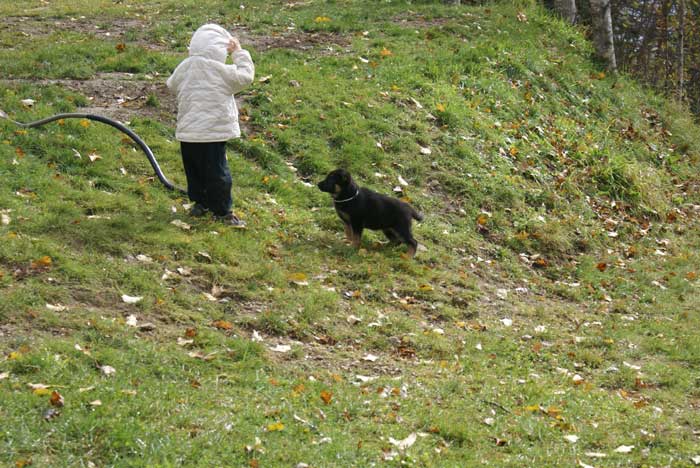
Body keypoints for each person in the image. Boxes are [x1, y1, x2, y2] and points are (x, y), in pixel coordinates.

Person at [166, 24, 255, 227]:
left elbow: (171, 84)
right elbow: (246, 77)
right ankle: (223, 212)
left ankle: (200, 204)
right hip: (212, 134)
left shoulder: (185, 66)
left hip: (188, 133)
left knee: (194, 171)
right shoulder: (220, 70)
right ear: (219, 49)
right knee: (217, 173)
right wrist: (239, 52)